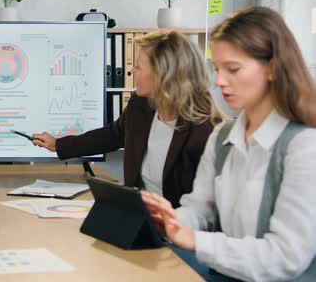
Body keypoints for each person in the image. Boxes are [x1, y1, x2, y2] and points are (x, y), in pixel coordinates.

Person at [142, 6, 316, 281]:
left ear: (272, 68)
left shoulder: (304, 146)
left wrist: (196, 241)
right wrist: (170, 220)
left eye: (233, 69)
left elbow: (286, 256)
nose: (219, 81)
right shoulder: (224, 135)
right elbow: (201, 210)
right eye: (216, 69)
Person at [33, 31, 223, 207]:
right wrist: (59, 144)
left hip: (177, 228)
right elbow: (112, 135)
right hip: (138, 215)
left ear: (163, 75)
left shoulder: (205, 130)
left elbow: (205, 209)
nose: (132, 70)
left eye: (139, 66)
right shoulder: (141, 105)